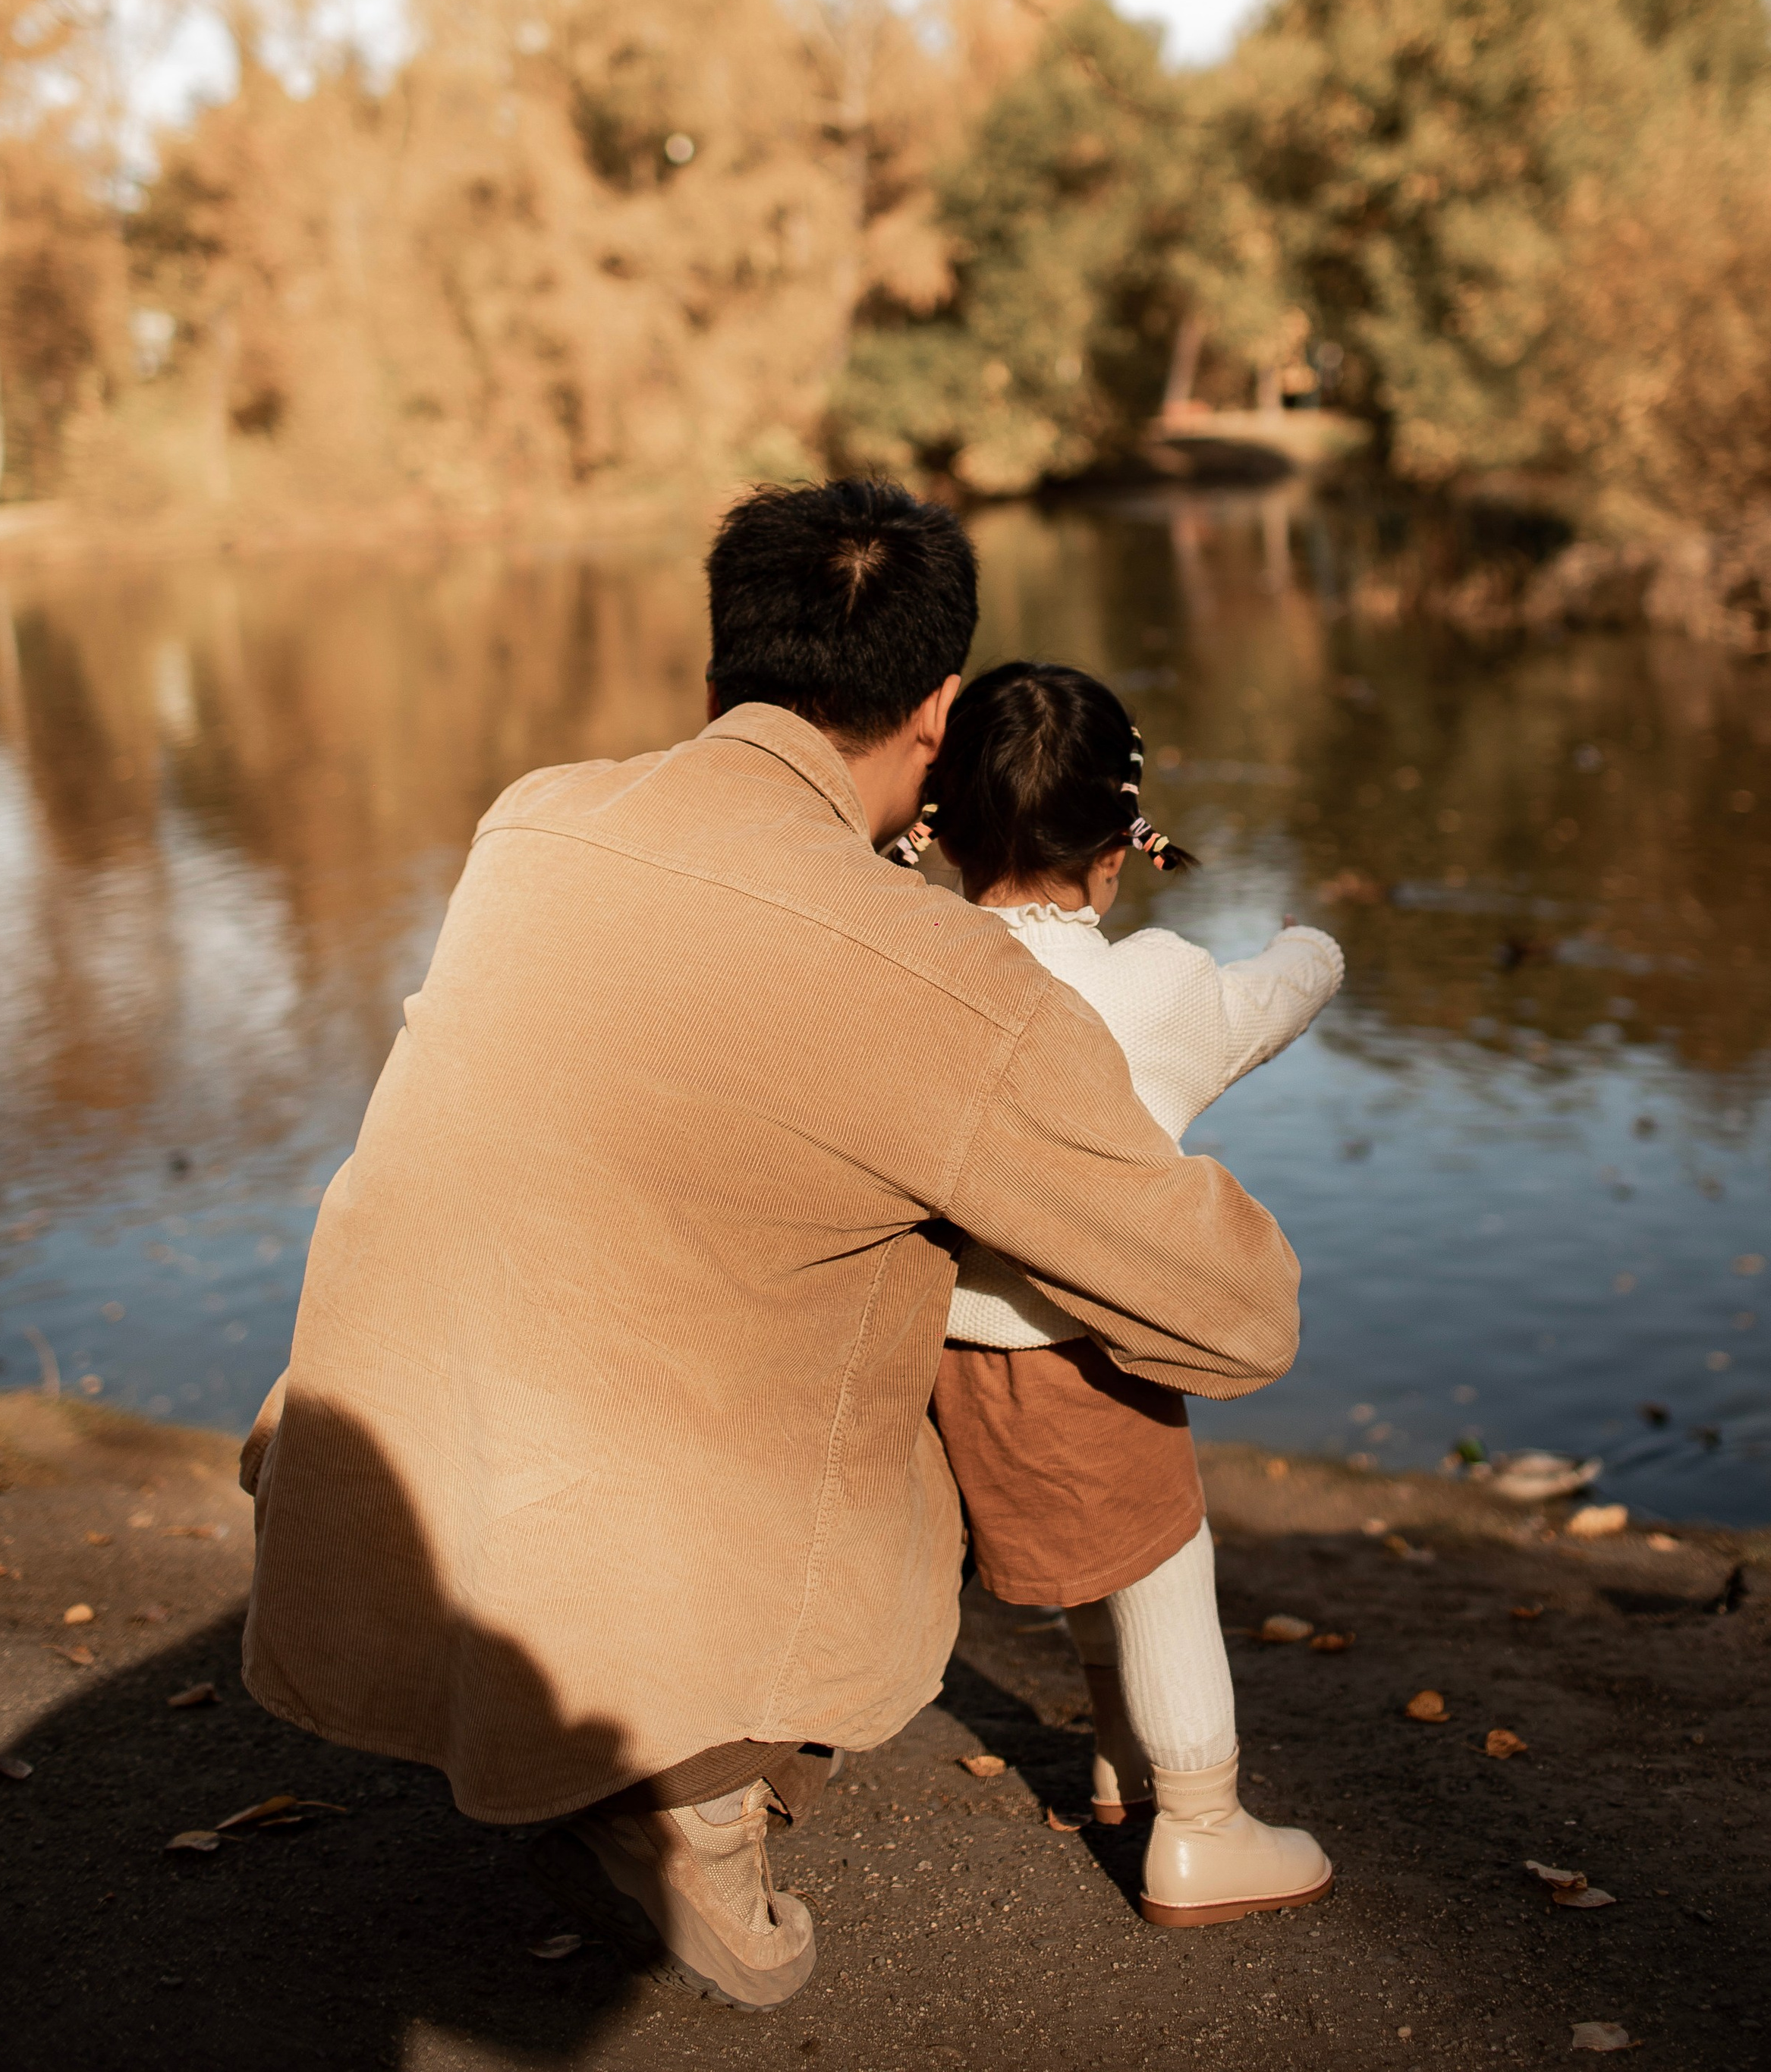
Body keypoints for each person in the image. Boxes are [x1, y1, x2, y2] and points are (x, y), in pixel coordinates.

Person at [238, 480, 1302, 2012]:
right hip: (615, 1521)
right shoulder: (935, 976)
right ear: (935, 712)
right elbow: (1235, 1322)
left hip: (378, 1478)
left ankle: (599, 1729)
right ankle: (697, 1797)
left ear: (720, 667)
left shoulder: (532, 819)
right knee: (928, 1344)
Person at [917, 659, 1342, 1928]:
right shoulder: (1152, 988)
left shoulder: (916, 968)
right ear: (1118, 851)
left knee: (1087, 1554)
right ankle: (1201, 1829)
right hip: (1084, 1350)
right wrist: (1310, 944)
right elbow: (1270, 1005)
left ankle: (1112, 1755)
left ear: (937, 831)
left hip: (940, 1342)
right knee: (1159, 1561)